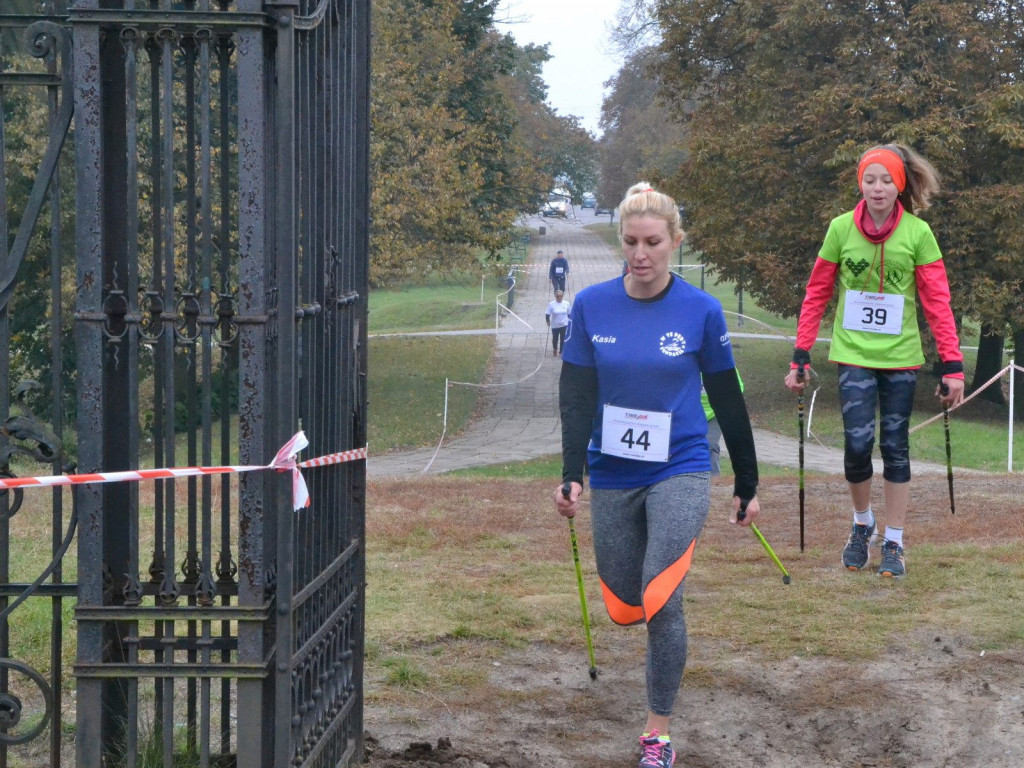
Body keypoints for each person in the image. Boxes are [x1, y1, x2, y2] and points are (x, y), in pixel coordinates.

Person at [554, 182, 761, 768]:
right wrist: (572, 472)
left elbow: (728, 398)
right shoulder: (591, 306)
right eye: (630, 242)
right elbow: (576, 394)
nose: (640, 254)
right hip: (613, 470)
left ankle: (657, 733)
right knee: (627, 605)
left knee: (661, 594)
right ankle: (649, 650)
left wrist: (747, 482)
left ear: (674, 241)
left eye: (652, 242)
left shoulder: (701, 311)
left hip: (682, 464)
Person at [784, 143, 965, 579]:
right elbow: (817, 292)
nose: (877, 188)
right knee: (857, 445)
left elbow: (937, 302)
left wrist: (952, 364)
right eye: (870, 180)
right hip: (853, 354)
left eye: (886, 180)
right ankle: (863, 524)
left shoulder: (918, 234)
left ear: (899, 185)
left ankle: (894, 541)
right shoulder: (840, 229)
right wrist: (800, 353)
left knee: (895, 446)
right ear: (860, 184)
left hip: (901, 357)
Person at [545, 289, 571, 356]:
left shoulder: (566, 303)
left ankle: (561, 351)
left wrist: (571, 322)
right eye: (557, 296)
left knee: (563, 338)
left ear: (562, 296)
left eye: (560, 296)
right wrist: (548, 321)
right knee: (555, 339)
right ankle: (555, 348)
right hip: (555, 325)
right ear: (555, 296)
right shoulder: (551, 304)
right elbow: (547, 313)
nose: (559, 297)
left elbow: (569, 314)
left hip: (564, 324)